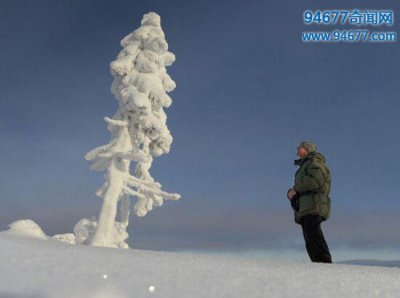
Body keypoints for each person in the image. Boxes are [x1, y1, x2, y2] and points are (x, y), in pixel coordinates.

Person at [287, 141, 332, 263]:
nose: (297, 149)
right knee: (309, 235)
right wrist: (293, 194)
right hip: (307, 205)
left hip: (314, 204)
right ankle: (318, 263)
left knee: (313, 233)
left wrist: (296, 189)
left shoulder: (314, 162)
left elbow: (316, 181)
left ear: (307, 149)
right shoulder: (305, 165)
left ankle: (324, 263)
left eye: (300, 147)